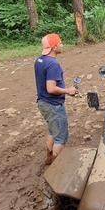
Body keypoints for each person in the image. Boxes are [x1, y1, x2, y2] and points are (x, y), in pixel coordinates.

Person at [34, 33, 77, 165]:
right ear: (53, 47)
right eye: (60, 43)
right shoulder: (53, 64)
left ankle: (49, 157)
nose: (62, 45)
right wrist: (68, 91)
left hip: (43, 103)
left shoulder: (39, 60)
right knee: (61, 138)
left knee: (53, 130)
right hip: (53, 105)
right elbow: (51, 88)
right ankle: (55, 165)